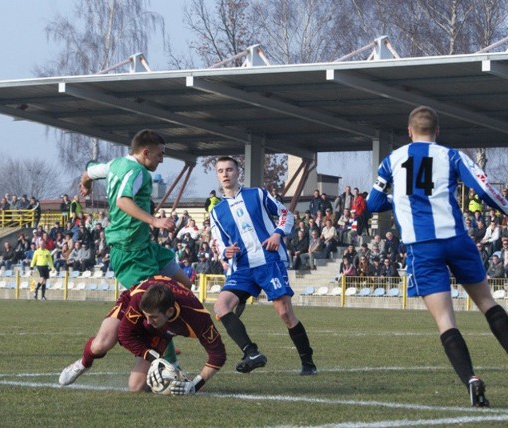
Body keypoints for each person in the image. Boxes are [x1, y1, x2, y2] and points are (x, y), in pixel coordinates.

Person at [366, 105, 508, 407]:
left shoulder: (392, 160)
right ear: (437, 132)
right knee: (486, 302)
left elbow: (374, 201)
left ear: (409, 131)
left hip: (423, 247)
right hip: (457, 240)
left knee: (446, 319)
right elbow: (483, 189)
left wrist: (396, 200)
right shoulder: (451, 156)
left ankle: (471, 379)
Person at [59, 129, 192, 386]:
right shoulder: (137, 172)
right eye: (160, 154)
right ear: (145, 152)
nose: (162, 160)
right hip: (129, 253)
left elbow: (90, 171)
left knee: (184, 286)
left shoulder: (116, 164)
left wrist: (85, 182)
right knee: (156, 305)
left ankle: (161, 356)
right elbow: (122, 201)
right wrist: (155, 220)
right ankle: (170, 366)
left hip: (146, 248)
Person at [209, 156, 317, 376]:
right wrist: (225, 251)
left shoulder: (257, 194)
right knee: (221, 307)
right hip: (242, 267)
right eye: (221, 171)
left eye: (229, 169)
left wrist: (277, 233)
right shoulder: (216, 211)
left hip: (269, 261)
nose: (225, 174)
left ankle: (308, 363)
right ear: (217, 175)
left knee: (285, 313)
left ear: (238, 173)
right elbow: (218, 241)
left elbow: (285, 214)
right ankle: (251, 352)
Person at [116, 276, 226, 393]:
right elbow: (123, 335)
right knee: (104, 341)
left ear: (170, 312)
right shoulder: (140, 297)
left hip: (161, 332)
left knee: (136, 386)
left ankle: (173, 375)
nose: (148, 321)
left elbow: (218, 355)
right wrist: (153, 357)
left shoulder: (197, 317)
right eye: (146, 316)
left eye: (153, 317)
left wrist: (195, 385)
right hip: (132, 298)